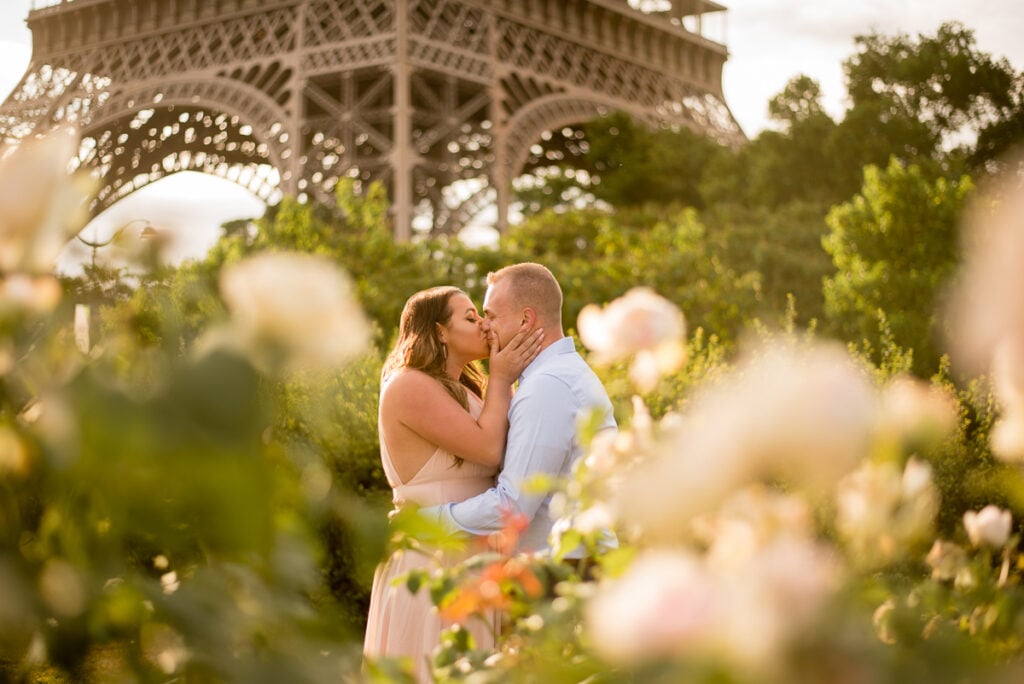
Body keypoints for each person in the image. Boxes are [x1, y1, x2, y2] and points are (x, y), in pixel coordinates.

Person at [363, 285, 543, 682]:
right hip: (432, 556)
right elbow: (488, 449)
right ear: (440, 331)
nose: (483, 324)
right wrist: (502, 377)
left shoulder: (469, 389)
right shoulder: (408, 385)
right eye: (469, 316)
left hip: (474, 550)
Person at [431, 263, 617, 556]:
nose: (484, 325)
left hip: (567, 570)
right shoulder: (559, 375)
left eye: (491, 315)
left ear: (525, 320)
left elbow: (512, 507)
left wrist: (426, 520)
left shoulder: (548, 385)